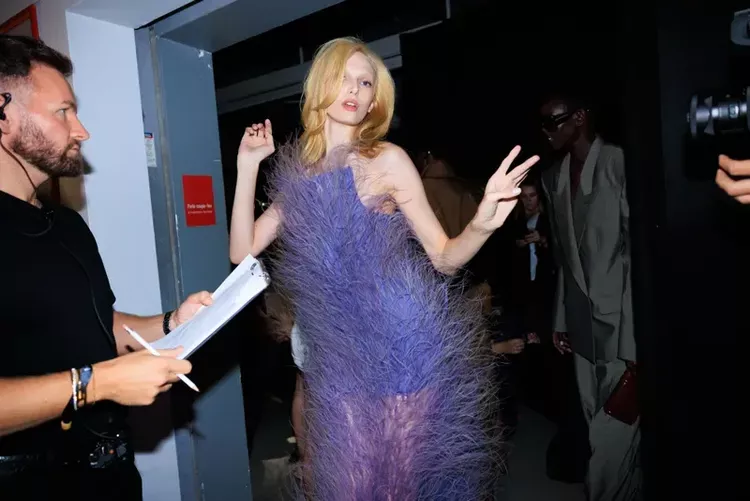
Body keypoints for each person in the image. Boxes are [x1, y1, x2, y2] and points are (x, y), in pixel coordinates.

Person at [229, 37, 538, 500]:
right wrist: (248, 165)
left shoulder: (387, 160)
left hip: (401, 345)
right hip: (338, 354)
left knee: (395, 489)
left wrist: (482, 223)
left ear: (376, 99)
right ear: (321, 86)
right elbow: (242, 250)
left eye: (366, 82)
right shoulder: (298, 177)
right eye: (344, 78)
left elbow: (444, 257)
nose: (355, 90)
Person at [0, 35, 212, 500]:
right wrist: (98, 384)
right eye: (63, 112)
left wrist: (171, 322)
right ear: (4, 115)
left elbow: (96, 323)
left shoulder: (68, 225)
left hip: (108, 475)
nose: (81, 131)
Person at [539, 92, 641, 500]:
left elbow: (636, 257)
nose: (546, 131)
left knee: (611, 436)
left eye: (552, 121)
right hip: (580, 331)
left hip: (620, 331)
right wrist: (560, 319)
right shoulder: (554, 178)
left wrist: (634, 343)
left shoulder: (618, 164)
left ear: (579, 117)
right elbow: (564, 259)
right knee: (599, 430)